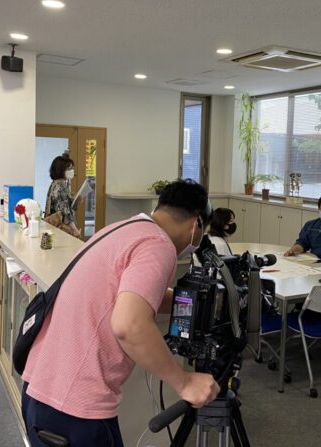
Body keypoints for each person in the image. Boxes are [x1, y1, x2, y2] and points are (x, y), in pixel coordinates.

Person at [21, 180, 220, 447]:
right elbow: (129, 325)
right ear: (195, 225)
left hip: (39, 390)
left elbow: (130, 293)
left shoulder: (122, 229)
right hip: (75, 408)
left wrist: (191, 302)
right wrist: (184, 382)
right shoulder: (159, 245)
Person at [45, 154, 81, 237]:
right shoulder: (61, 186)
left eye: (72, 168)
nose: (72, 171)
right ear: (60, 170)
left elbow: (65, 205)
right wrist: (74, 229)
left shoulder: (55, 184)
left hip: (53, 228)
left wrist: (75, 201)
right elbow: (65, 210)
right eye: (69, 169)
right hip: (61, 229)